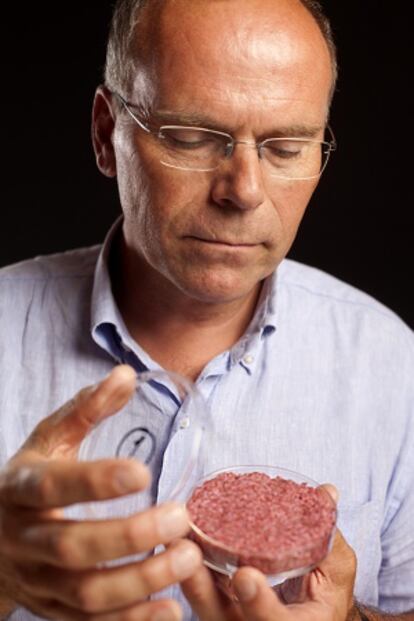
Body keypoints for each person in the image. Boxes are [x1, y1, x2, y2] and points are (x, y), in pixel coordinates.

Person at [0, 0, 413, 620]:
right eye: (193, 138)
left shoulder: (394, 365)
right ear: (103, 133)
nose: (243, 192)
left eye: (285, 147)